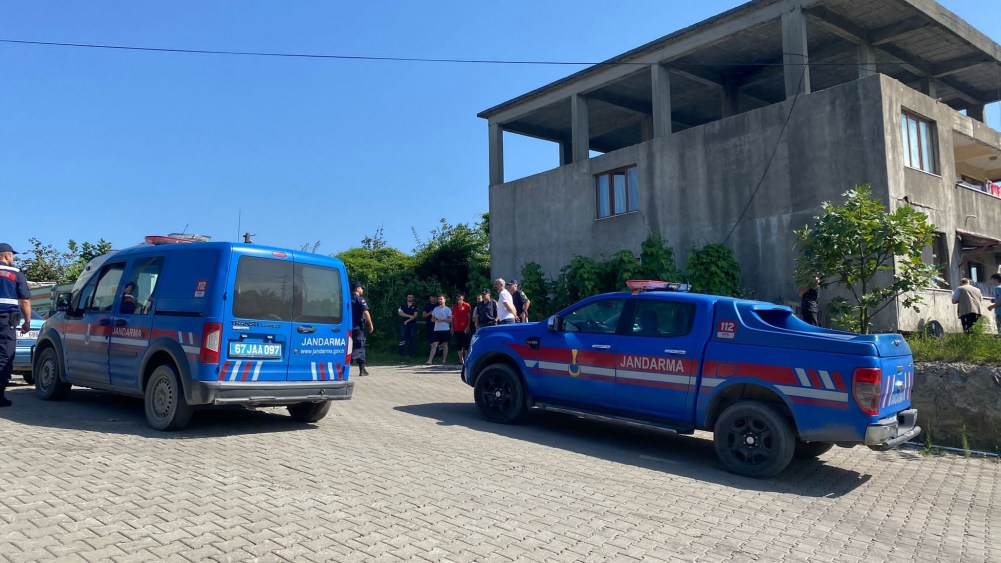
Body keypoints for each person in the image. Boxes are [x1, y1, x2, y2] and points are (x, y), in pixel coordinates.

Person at [0, 243, 31, 407]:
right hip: (6, 321)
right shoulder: (15, 273)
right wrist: (27, 322)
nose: (12, 258)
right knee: (5, 356)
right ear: (7, 255)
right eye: (12, 255)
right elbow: (24, 300)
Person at [351, 282, 374, 376]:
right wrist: (370, 324)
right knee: (360, 347)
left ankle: (362, 370)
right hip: (359, 327)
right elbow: (366, 312)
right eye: (361, 288)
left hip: (349, 326)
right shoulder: (360, 299)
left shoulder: (348, 299)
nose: (362, 290)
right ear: (357, 289)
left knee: (360, 346)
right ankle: (349, 359)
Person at [427, 295, 452, 365]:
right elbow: (432, 319)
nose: (440, 300)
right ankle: (430, 360)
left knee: (445, 344)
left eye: (441, 299)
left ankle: (444, 360)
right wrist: (436, 319)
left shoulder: (447, 309)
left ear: (445, 300)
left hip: (445, 329)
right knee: (434, 344)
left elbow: (450, 320)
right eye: (439, 299)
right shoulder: (435, 309)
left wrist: (443, 320)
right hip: (437, 329)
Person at [451, 293, 472, 365]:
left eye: (460, 298)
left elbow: (469, 316)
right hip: (456, 328)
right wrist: (452, 327)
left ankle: (466, 359)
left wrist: (468, 326)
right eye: (457, 298)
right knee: (458, 344)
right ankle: (461, 360)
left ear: (463, 298)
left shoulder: (466, 305)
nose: (458, 300)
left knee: (466, 344)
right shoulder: (454, 306)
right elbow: (453, 317)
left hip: (464, 327)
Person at [397, 293, 418, 357]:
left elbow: (415, 316)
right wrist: (409, 316)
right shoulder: (403, 305)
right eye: (409, 297)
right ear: (407, 297)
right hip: (404, 323)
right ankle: (401, 353)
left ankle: (411, 354)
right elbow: (400, 313)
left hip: (412, 324)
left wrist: (407, 320)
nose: (410, 298)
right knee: (402, 337)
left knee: (411, 338)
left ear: (413, 298)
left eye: (411, 297)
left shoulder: (415, 305)